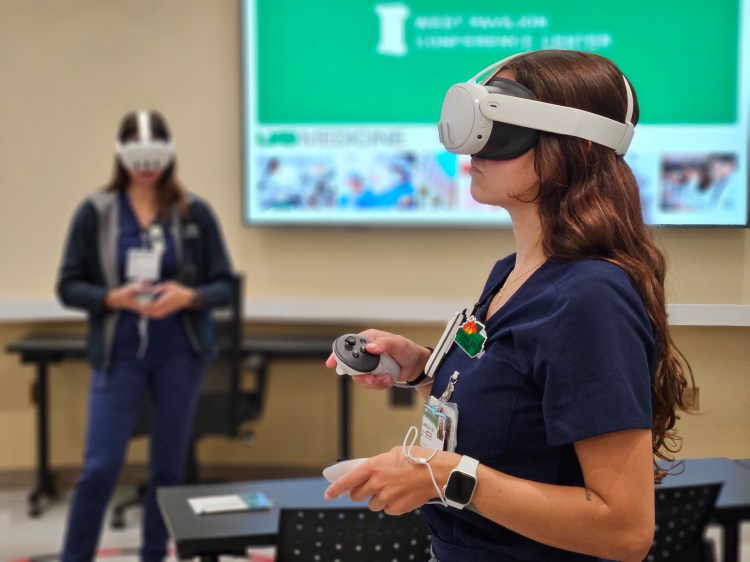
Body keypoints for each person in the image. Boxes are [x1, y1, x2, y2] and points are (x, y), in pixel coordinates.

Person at [324, 50, 694, 562]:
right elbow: (519, 415)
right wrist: (419, 368)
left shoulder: (589, 297)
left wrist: (446, 475)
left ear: (577, 146)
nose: (475, 148)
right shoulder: (511, 273)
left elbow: (625, 530)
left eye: (502, 130)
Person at [57, 109, 234, 562]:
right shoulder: (96, 213)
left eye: (155, 156)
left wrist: (187, 296)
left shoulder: (193, 212)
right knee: (100, 467)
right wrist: (111, 298)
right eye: (137, 156)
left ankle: (154, 554)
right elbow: (68, 284)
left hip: (180, 354)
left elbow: (223, 284)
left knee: (168, 468)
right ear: (121, 157)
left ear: (169, 155)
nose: (146, 166)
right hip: (119, 355)